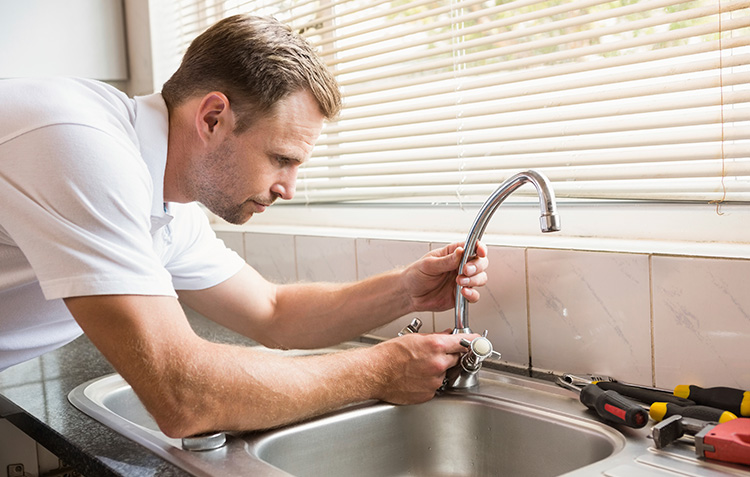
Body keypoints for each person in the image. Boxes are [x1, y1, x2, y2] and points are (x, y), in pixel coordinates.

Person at [0, 15, 488, 437]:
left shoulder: (167, 205)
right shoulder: (79, 145)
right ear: (213, 118)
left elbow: (272, 312)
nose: (287, 188)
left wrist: (406, 291)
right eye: (280, 158)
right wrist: (381, 370)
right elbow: (182, 393)